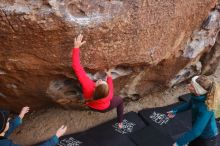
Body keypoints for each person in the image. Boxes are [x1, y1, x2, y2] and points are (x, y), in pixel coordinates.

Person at [72, 34, 124, 128]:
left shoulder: (88, 86)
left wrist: (76, 48)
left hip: (92, 106)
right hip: (104, 107)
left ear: (96, 87)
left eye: (100, 82)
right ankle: (120, 122)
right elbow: (110, 88)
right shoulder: (109, 96)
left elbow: (77, 68)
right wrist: (109, 77)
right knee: (120, 100)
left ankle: (120, 122)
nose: (100, 79)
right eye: (101, 81)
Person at [167, 75, 219, 146]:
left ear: (197, 90)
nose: (188, 85)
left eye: (191, 85)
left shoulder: (206, 109)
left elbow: (196, 131)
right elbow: (189, 104)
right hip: (198, 134)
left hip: (208, 138)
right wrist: (175, 110)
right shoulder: (197, 96)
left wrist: (178, 143)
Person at [0, 106, 67, 146]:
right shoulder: (6, 144)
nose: (10, 120)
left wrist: (20, 116)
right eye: (7, 121)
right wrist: (56, 137)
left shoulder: (2, 134)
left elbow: (7, 129)